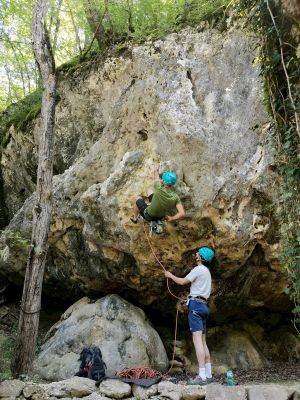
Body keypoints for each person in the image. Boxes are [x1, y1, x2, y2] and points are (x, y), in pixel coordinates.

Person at [164, 246, 215, 385]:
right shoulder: (208, 272)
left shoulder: (198, 269)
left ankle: (202, 376)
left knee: (197, 341)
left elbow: (182, 282)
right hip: (203, 306)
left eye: (198, 253)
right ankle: (209, 374)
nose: (196, 254)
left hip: (196, 307)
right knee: (203, 341)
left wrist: (170, 275)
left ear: (201, 257)